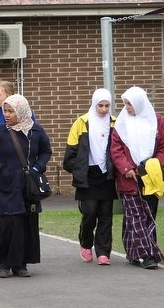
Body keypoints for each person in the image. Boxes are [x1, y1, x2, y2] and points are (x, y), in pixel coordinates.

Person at [0, 94, 52, 278]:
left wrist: (38, 167)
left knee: (27, 223)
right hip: (6, 185)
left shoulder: (36, 131)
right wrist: (0, 168)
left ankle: (21, 264)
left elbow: (46, 151)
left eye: (11, 111)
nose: (7, 114)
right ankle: (4, 264)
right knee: (9, 223)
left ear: (21, 111)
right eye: (5, 111)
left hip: (28, 186)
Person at [110, 86, 164, 269]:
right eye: (124, 104)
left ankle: (133, 252)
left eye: (129, 104)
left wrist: (154, 164)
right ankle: (147, 255)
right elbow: (115, 149)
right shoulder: (121, 123)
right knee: (135, 216)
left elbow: (163, 147)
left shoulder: (157, 121)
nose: (126, 108)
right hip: (129, 178)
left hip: (150, 177)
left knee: (148, 216)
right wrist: (126, 168)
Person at [62, 88, 117, 265]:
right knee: (90, 213)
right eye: (100, 105)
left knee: (106, 216)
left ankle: (103, 252)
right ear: (94, 104)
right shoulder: (81, 122)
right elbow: (70, 153)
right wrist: (77, 169)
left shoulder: (115, 123)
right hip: (87, 176)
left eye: (107, 105)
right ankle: (86, 243)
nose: (103, 109)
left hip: (106, 176)